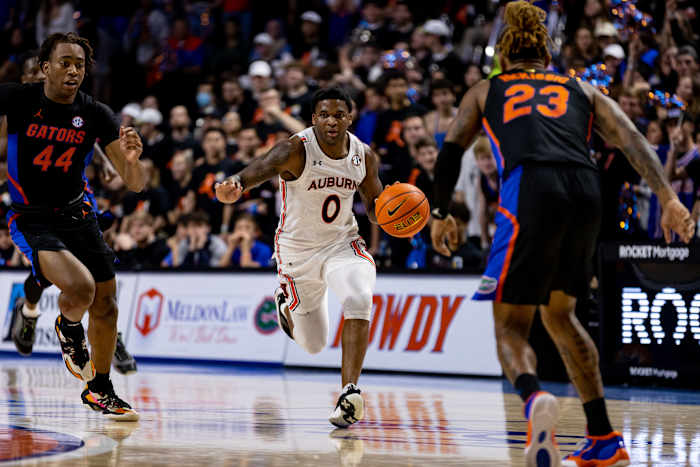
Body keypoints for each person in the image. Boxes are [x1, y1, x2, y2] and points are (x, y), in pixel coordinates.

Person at [429, 3, 695, 466]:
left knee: (510, 325)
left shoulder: (486, 89)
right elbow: (631, 137)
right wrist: (668, 197)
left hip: (531, 186)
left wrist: (439, 212)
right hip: (586, 191)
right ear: (546, 59)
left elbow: (450, 152)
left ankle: (534, 399)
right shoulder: (582, 88)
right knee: (560, 316)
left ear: (504, 58)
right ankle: (603, 438)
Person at [216, 87, 383, 428]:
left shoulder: (363, 156)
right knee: (313, 344)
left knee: (359, 297)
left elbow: (377, 208)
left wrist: (399, 213)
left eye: (339, 114)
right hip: (297, 253)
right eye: (324, 115)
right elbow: (257, 169)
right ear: (313, 119)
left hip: (343, 244)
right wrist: (234, 183)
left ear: (350, 118)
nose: (332, 121)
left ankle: (349, 393)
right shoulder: (295, 149)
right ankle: (285, 303)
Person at [0, 32, 146, 420]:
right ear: (44, 68)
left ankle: (100, 389)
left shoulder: (96, 114)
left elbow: (135, 183)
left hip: (78, 215)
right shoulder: (18, 99)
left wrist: (132, 159)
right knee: (79, 287)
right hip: (31, 217)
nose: (73, 70)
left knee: (106, 302)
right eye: (64, 62)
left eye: (79, 64)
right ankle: (67, 326)